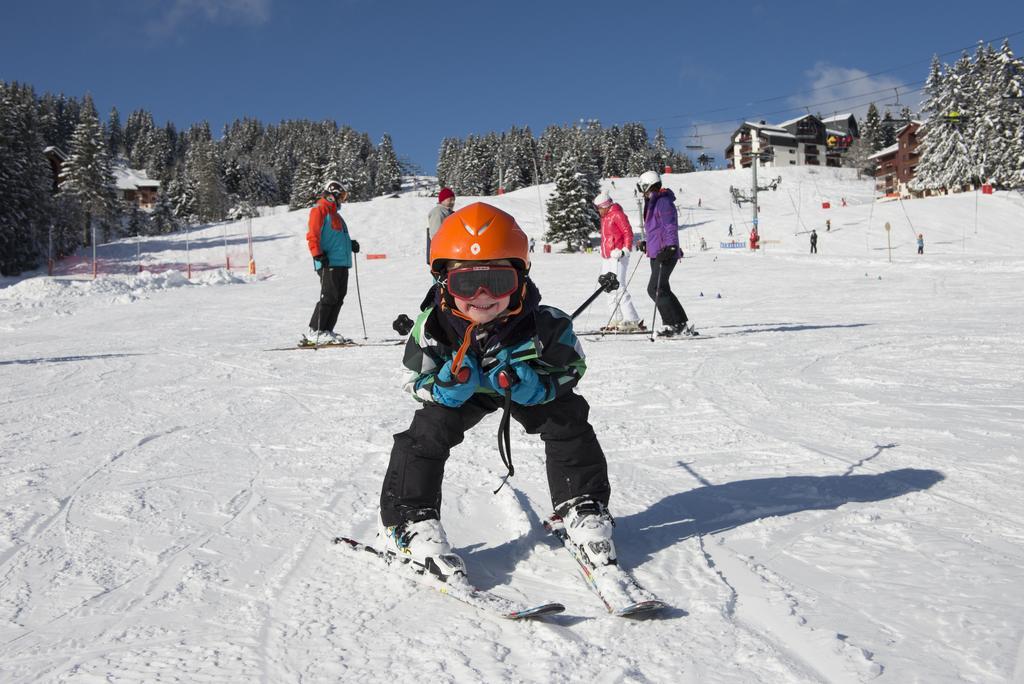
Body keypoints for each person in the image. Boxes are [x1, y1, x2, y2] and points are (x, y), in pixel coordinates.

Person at [377, 202, 617, 581]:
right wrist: (443, 389)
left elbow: (573, 367)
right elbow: (412, 380)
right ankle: (408, 522)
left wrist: (540, 388)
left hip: (522, 389)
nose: (483, 295)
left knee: (567, 416)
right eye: (466, 283)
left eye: (499, 281)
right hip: (462, 391)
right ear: (444, 283)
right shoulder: (432, 328)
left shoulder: (547, 325)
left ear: (519, 279)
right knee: (424, 434)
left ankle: (580, 503)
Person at [636, 170, 694, 337]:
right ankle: (679, 322)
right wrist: (648, 244)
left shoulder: (663, 202)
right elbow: (656, 229)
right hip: (657, 252)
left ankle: (671, 324)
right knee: (662, 288)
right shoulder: (654, 202)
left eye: (643, 188)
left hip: (666, 252)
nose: (642, 192)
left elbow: (669, 226)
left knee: (655, 288)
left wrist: (671, 247)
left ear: (649, 185)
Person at [302, 180, 359, 345]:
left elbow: (337, 239)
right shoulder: (319, 210)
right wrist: (317, 254)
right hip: (328, 262)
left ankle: (326, 330)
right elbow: (312, 235)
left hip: (342, 263)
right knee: (329, 296)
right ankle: (315, 330)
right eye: (340, 196)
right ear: (332, 194)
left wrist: (351, 244)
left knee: (339, 297)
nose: (342, 200)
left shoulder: (336, 216)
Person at [594, 192, 643, 331]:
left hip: (618, 255)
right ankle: (615, 317)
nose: (598, 210)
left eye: (599, 208)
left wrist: (625, 250)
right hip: (607, 256)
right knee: (607, 286)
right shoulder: (604, 217)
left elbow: (628, 232)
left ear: (605, 205)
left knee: (618, 285)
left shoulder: (617, 214)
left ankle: (632, 319)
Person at [426, 188, 456, 264]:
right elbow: (435, 234)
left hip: (451, 250)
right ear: (442, 200)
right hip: (442, 253)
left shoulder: (449, 213)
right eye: (450, 200)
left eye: (453, 200)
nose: (452, 202)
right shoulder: (438, 212)